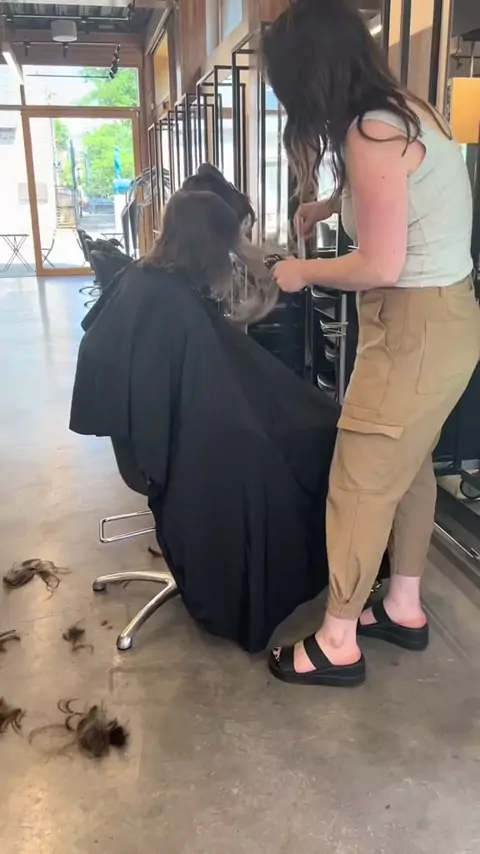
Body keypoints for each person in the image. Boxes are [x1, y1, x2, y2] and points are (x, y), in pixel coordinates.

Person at [261, 0, 480, 686]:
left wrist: (301, 272)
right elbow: (400, 197)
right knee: (407, 468)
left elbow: (381, 264)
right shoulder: (402, 109)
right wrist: (330, 205)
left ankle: (337, 641)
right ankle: (403, 606)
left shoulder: (370, 131)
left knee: (357, 480)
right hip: (439, 322)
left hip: (415, 327)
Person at [70, 189, 340, 652]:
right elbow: (218, 408)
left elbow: (100, 349)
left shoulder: (144, 279)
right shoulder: (173, 307)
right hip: (179, 450)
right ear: (209, 246)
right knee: (296, 449)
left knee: (294, 427)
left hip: (152, 444)